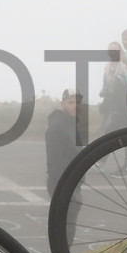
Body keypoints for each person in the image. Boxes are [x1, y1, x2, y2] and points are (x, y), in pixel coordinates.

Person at [45, 90, 87, 244]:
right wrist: (61, 186)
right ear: (63, 104)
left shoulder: (73, 125)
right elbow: (53, 161)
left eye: (78, 102)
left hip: (73, 181)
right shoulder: (56, 127)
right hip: (63, 182)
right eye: (70, 102)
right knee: (65, 228)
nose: (75, 106)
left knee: (68, 226)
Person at [99, 42, 127, 134]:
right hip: (109, 98)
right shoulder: (107, 66)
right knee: (104, 126)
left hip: (121, 100)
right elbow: (105, 81)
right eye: (110, 50)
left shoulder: (124, 65)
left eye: (115, 50)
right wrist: (103, 91)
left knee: (116, 125)